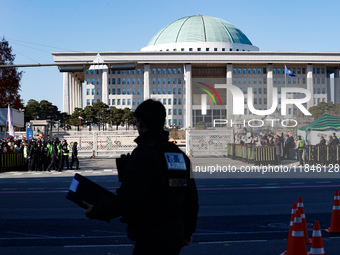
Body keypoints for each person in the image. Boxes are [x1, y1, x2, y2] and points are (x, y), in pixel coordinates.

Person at [83, 99, 199, 255]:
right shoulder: (180, 155)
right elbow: (192, 200)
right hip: (174, 236)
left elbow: (128, 199)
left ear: (141, 122)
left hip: (151, 236)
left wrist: (96, 211)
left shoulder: (143, 154)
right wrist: (187, 232)